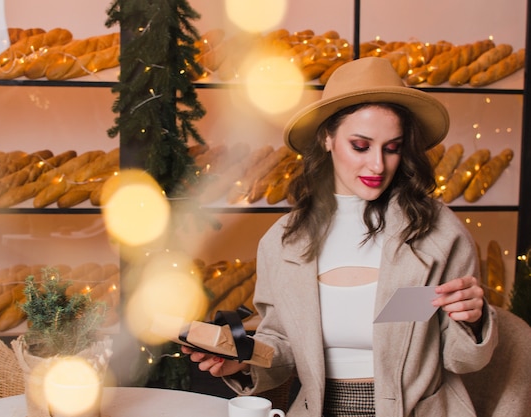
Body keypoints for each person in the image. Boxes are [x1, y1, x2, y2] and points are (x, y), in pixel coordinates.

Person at [183, 57, 497, 417]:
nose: (378, 165)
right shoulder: (283, 241)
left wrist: (472, 320)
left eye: (392, 148)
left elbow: (463, 361)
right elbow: (281, 347)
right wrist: (240, 361)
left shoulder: (439, 232)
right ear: (327, 138)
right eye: (361, 146)